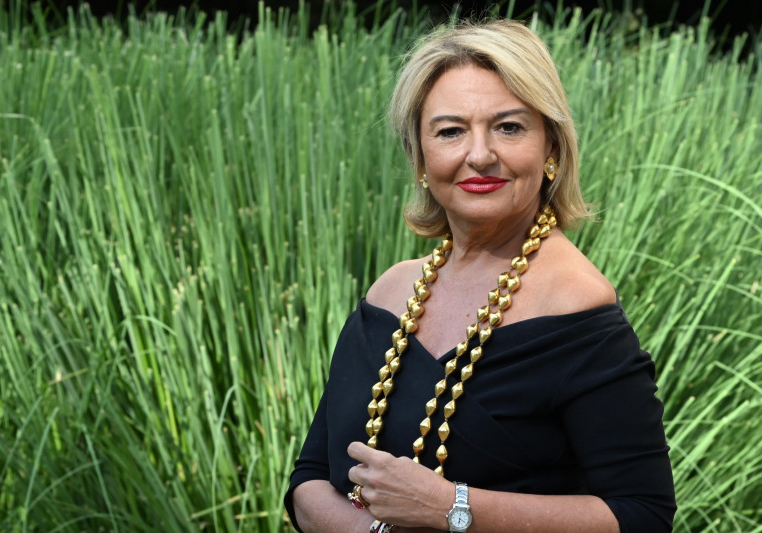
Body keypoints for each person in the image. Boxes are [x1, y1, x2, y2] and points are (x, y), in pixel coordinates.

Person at [285, 19, 675, 533]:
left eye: (509, 127)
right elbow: (311, 476)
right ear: (420, 157)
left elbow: (643, 514)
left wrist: (450, 507)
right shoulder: (391, 293)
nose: (480, 155)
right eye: (450, 131)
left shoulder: (577, 309)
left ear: (551, 148)